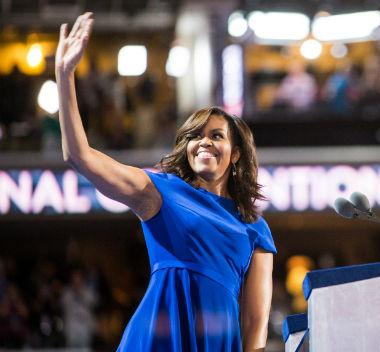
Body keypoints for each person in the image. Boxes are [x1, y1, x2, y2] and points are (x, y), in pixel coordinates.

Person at [55, 13, 276, 351]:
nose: (203, 142)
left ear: (235, 155)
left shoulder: (255, 227)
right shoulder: (159, 191)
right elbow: (79, 156)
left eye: (216, 136)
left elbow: (255, 322)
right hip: (157, 337)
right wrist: (65, 74)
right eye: (195, 136)